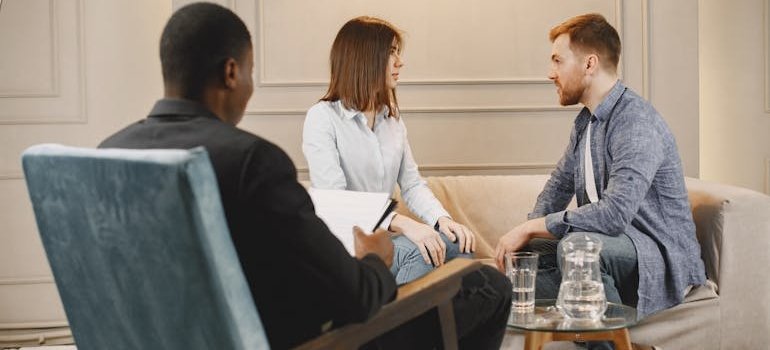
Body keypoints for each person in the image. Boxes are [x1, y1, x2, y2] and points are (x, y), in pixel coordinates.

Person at [100, 4, 510, 349]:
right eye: (250, 70)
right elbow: (351, 293)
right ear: (231, 73)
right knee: (491, 286)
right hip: (309, 334)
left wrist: (432, 224)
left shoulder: (108, 155)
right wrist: (376, 259)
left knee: (460, 265)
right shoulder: (252, 160)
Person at [495, 13, 706, 319]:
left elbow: (614, 215)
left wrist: (529, 227)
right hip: (602, 250)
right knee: (529, 259)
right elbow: (557, 187)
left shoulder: (636, 121)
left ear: (589, 64)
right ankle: (496, 295)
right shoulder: (586, 123)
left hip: (655, 254)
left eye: (557, 61)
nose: (550, 73)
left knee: (576, 246)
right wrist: (524, 238)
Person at [303, 16, 476, 285]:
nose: (400, 62)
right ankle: (393, 320)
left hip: (383, 242)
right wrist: (404, 223)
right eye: (391, 52)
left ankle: (392, 315)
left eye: (398, 52)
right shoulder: (322, 117)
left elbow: (412, 184)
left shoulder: (392, 119)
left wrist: (441, 220)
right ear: (365, 58)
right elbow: (336, 197)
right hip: (347, 248)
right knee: (421, 255)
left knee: (460, 247)